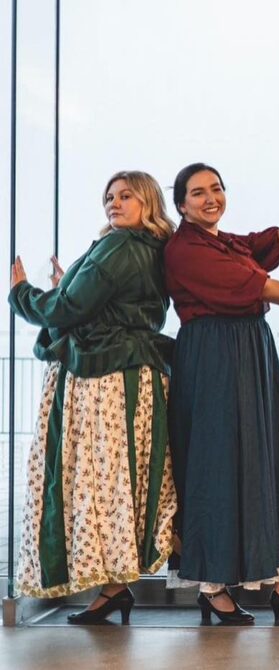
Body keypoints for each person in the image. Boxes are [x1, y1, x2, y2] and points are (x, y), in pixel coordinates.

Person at [164, 162, 279, 625]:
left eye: (217, 189)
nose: (210, 198)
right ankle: (214, 586)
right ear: (181, 204)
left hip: (248, 353)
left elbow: (275, 240)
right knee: (216, 467)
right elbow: (259, 285)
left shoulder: (223, 241)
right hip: (215, 360)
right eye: (198, 192)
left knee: (266, 462)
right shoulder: (185, 250)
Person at [9, 170, 178, 624]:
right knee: (124, 481)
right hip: (138, 373)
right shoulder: (155, 249)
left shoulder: (118, 246)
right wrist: (73, 285)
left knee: (95, 484)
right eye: (109, 197)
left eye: (126, 196)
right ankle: (116, 586)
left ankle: (115, 585)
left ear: (148, 202)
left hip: (104, 377)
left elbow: (68, 309)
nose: (114, 204)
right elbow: (105, 300)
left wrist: (22, 294)